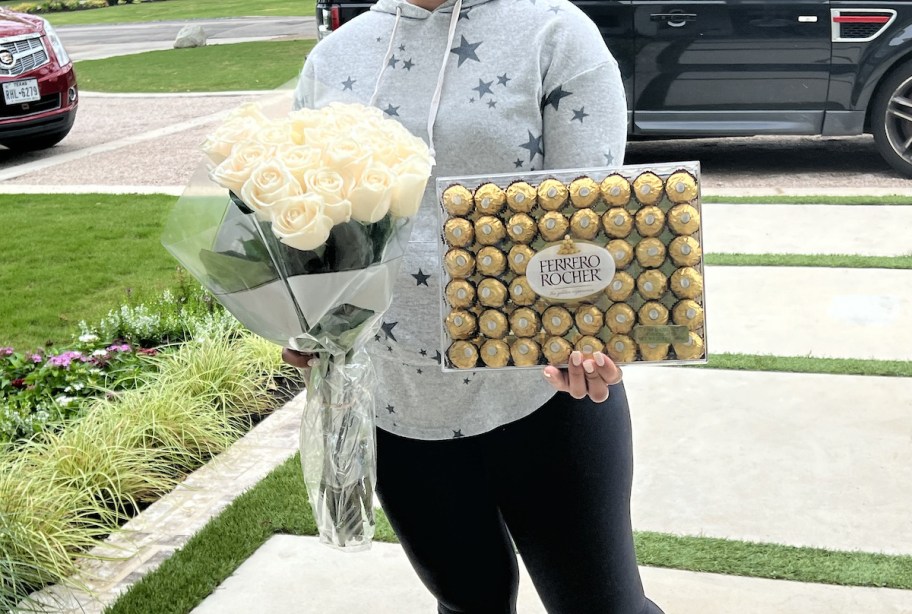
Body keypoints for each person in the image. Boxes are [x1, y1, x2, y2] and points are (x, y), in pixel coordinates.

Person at [286, 0, 665, 612]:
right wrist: (304, 314)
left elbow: (591, 229)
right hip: (396, 405)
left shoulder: (554, 31)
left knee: (603, 606)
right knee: (468, 603)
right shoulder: (336, 55)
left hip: (544, 397)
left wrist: (596, 333)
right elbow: (310, 228)